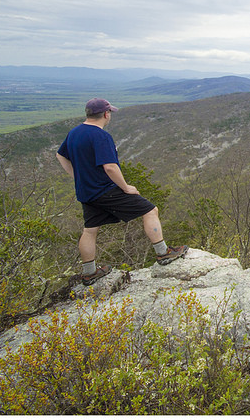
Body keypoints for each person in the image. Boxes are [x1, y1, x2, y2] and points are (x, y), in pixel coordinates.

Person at [56, 98, 187, 285]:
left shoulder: (74, 133)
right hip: (105, 189)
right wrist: (125, 187)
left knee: (90, 230)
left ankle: (89, 272)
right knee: (150, 210)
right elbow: (109, 167)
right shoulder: (100, 136)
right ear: (106, 114)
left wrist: (77, 176)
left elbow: (60, 155)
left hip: (86, 191)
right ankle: (162, 253)